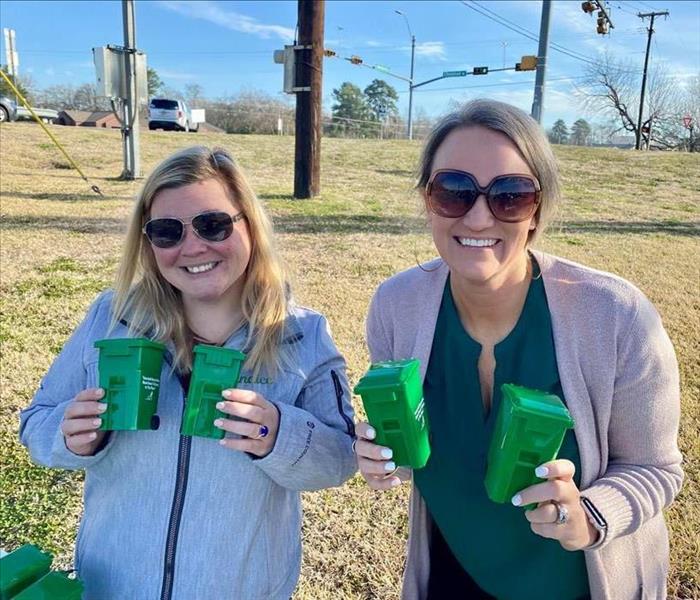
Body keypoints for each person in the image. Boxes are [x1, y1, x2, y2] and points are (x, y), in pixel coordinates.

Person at [354, 100, 683, 600]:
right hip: (452, 574)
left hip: (579, 586)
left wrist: (588, 518)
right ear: (427, 199)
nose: (480, 217)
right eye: (454, 191)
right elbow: (410, 449)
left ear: (537, 209)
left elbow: (655, 469)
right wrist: (382, 458)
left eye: (510, 195)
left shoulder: (616, 315)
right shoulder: (396, 306)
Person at [19, 146, 357, 599]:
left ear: (250, 225)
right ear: (148, 242)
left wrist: (280, 435)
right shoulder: (112, 317)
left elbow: (340, 457)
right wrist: (69, 434)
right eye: (166, 232)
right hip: (113, 586)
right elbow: (36, 421)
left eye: (213, 224)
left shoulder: (303, 334)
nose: (193, 247)